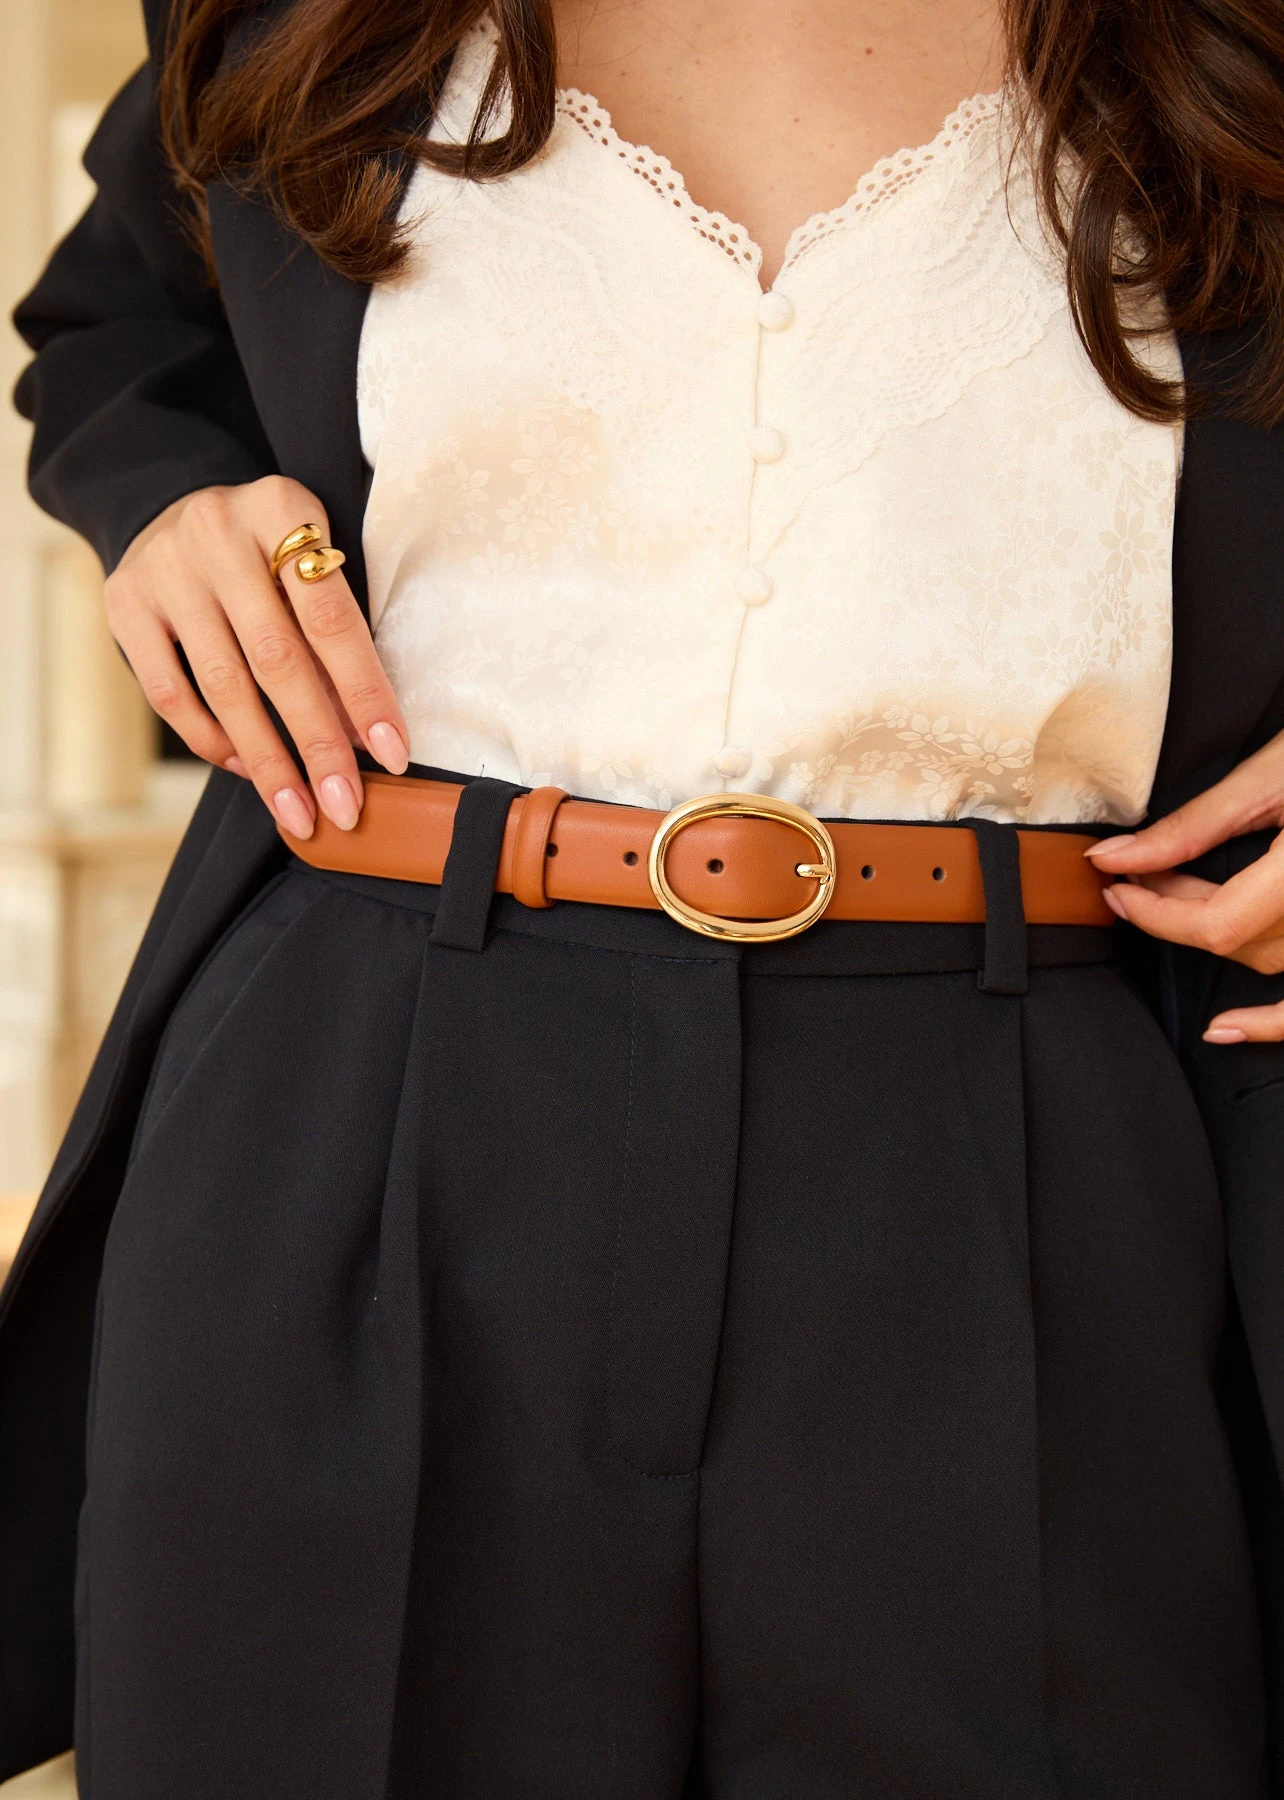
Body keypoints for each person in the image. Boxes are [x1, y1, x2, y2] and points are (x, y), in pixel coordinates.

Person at [3, 0, 1284, 1793]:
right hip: (376, 1097)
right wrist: (168, 502)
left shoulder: (1233, 54)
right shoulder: (307, 19)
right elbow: (119, 318)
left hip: (1034, 1149)